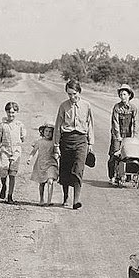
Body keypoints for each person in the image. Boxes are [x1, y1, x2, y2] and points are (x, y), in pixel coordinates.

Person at [53, 79, 94, 209]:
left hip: (81, 140)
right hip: (66, 139)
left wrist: (90, 143)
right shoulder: (63, 106)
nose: (72, 97)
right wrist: (56, 145)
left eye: (74, 94)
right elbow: (58, 125)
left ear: (79, 92)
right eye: (69, 94)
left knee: (78, 170)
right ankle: (66, 197)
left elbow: (90, 124)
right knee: (65, 170)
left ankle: (76, 201)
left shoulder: (87, 105)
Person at [0, 102, 26, 203]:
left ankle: (10, 196)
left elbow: (23, 138)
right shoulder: (2, 125)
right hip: (4, 149)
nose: (11, 115)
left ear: (16, 112)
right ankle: (4, 185)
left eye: (13, 112)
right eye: (9, 112)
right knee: (3, 170)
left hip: (16, 151)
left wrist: (21, 138)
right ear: (6, 112)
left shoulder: (19, 125)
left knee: (12, 174)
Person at [108, 83, 138, 184]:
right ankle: (112, 176)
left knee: (129, 155)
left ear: (129, 95)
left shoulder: (133, 108)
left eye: (124, 94)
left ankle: (128, 175)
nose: (122, 96)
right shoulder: (117, 107)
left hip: (128, 135)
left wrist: (134, 137)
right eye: (121, 94)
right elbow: (115, 122)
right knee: (114, 155)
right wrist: (118, 136)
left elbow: (136, 123)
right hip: (117, 135)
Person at [27, 123, 59, 206]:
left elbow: (57, 152)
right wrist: (30, 158)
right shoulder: (39, 142)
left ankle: (49, 200)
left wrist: (57, 155)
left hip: (51, 163)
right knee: (42, 183)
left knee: (50, 181)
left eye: (50, 132)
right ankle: (41, 199)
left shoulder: (54, 142)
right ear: (43, 132)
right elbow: (33, 151)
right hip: (41, 163)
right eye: (46, 131)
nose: (48, 133)